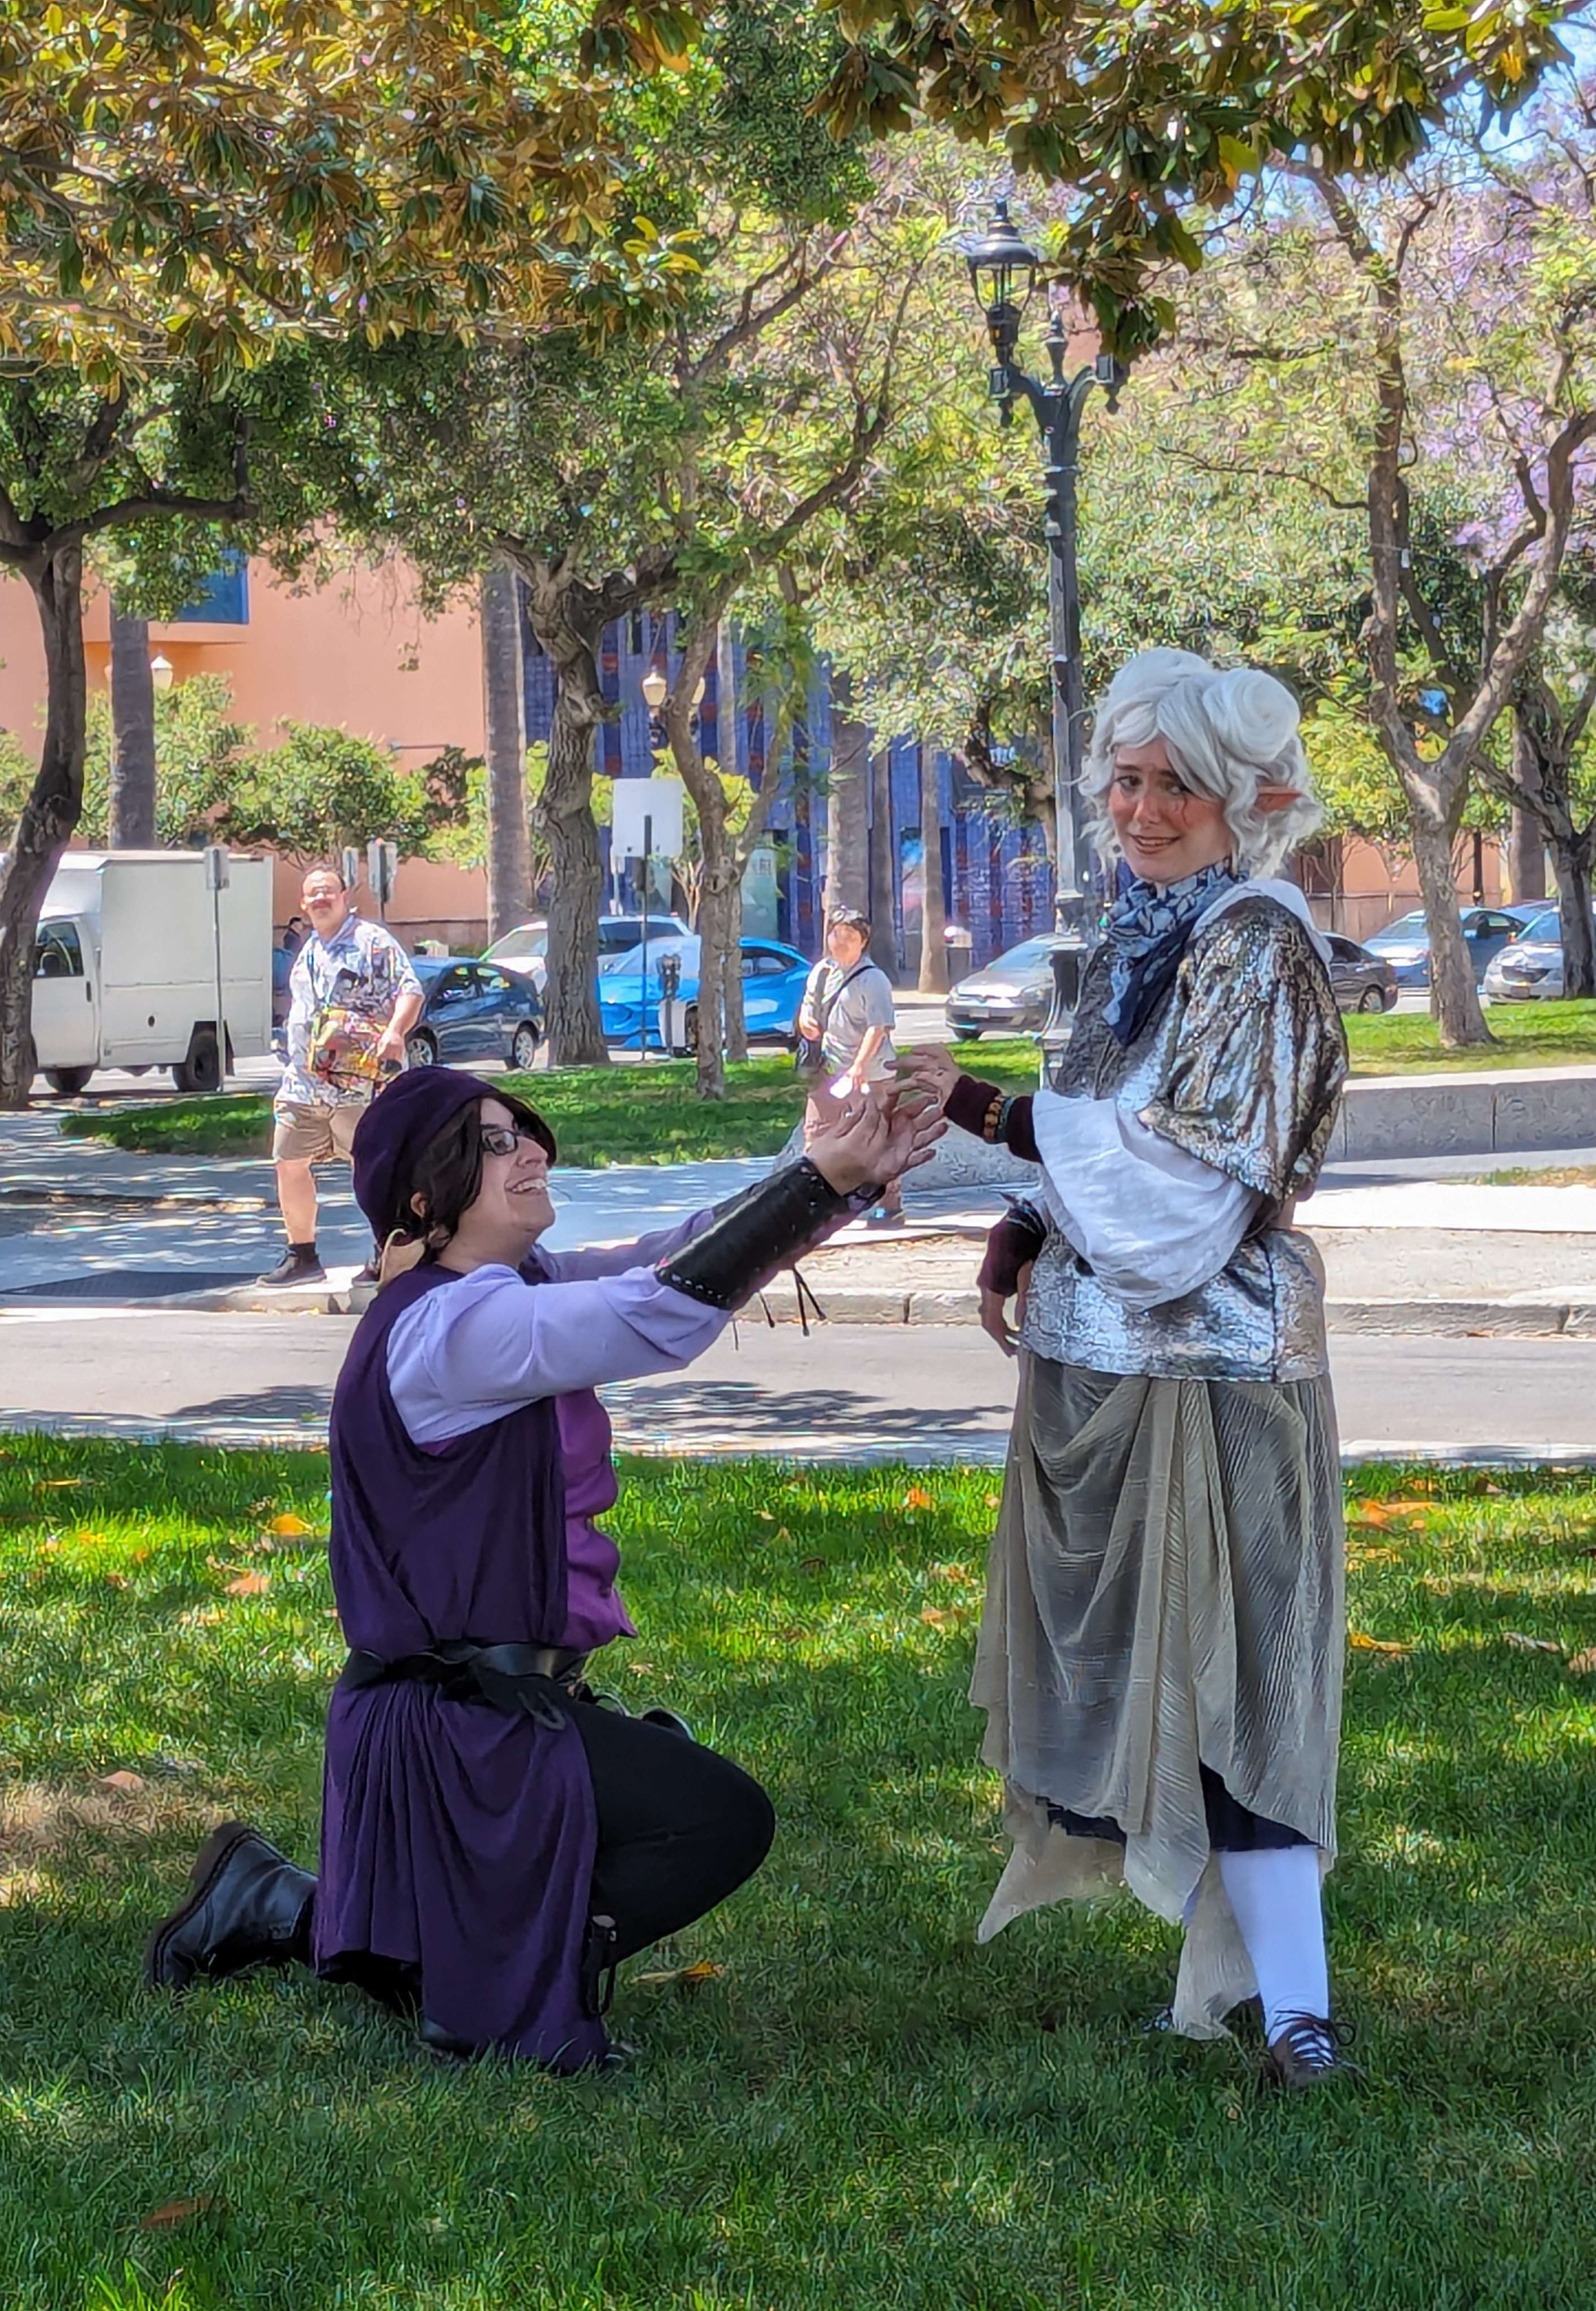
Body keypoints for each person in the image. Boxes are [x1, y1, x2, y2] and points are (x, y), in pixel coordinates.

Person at [147, 1062, 943, 2070]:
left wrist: (826, 1165)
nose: (530, 1149)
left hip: (474, 1720)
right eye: (491, 1143)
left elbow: (672, 1256)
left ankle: (306, 1912)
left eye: (522, 1131)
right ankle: (471, 1978)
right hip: (448, 1730)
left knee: (672, 1800)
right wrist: (821, 1181)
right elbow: (660, 1312)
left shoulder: (512, 1288)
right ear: (426, 1199)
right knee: (717, 1821)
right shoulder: (454, 1329)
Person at [900, 648, 1352, 2091]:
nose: (1143, 808)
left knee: (1235, 1692)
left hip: (1212, 1388)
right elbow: (1105, 1129)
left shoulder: (1251, 940)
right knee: (1158, 1683)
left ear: (1247, 802)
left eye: (1176, 786)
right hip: (1101, 1369)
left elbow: (1169, 1203)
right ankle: (1250, 1995)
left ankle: (1296, 2012)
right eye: (1127, 779)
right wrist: (1018, 1225)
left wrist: (987, 1113)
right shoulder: (1149, 934)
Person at [258, 866, 422, 1288]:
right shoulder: (309, 950)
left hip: (359, 1085)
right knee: (288, 1161)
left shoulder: (372, 941)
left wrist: (395, 1033)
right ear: (303, 904)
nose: (320, 900)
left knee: (372, 1167)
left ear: (345, 896)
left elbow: (410, 990)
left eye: (328, 892)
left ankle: (384, 1253)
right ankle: (303, 1257)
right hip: (304, 1084)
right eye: (313, 895)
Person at [797, 907, 904, 1226]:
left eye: (849, 936)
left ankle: (890, 1203)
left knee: (876, 1138)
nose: (841, 941)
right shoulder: (822, 972)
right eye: (836, 934)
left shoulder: (873, 980)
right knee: (817, 1133)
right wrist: (806, 1022)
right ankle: (813, 1202)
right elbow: (808, 1007)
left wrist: (859, 1066)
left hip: (872, 1075)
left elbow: (878, 1027)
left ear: (863, 942)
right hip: (829, 1071)